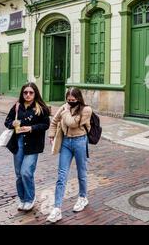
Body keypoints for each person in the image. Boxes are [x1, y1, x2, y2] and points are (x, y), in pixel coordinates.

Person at [46, 87, 92, 223]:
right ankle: (57, 208)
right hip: (66, 142)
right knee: (61, 175)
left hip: (80, 141)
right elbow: (54, 121)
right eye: (68, 100)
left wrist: (65, 111)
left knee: (81, 172)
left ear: (78, 99)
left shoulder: (86, 110)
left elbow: (72, 123)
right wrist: (51, 134)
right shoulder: (64, 107)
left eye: (73, 100)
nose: (70, 102)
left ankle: (83, 197)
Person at [4, 82, 50, 212]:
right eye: (25, 92)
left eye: (31, 92)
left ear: (35, 94)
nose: (28, 95)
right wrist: (12, 123)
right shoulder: (17, 106)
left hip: (33, 145)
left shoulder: (40, 108)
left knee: (26, 172)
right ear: (22, 93)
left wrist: (31, 128)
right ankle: (22, 199)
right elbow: (7, 121)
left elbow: (46, 125)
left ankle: (30, 198)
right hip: (18, 143)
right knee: (19, 174)